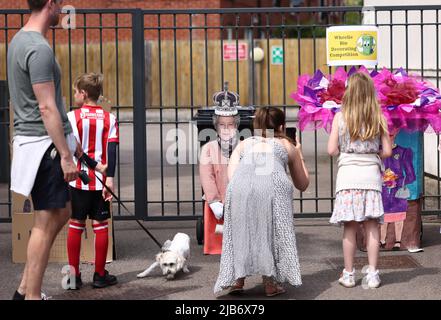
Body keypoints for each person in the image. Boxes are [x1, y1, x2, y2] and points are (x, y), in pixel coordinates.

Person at [8, 0, 79, 300]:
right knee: (45, 220)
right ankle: (32, 296)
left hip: (35, 143)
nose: (62, 10)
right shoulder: (38, 48)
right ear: (49, 4)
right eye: (60, 4)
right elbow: (47, 107)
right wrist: (65, 155)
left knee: (61, 211)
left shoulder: (18, 40)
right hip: (43, 147)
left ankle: (25, 289)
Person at [214, 106, 309, 297]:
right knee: (272, 231)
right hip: (272, 186)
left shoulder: (244, 143)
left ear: (255, 125)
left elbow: (231, 175)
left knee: (240, 230)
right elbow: (302, 184)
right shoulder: (285, 145)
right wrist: (299, 154)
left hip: (240, 187)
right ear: (282, 126)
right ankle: (270, 283)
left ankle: (237, 280)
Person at [328, 72, 392, 289]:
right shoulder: (378, 117)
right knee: (372, 226)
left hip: (348, 177)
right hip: (370, 177)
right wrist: (372, 154)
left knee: (350, 228)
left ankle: (348, 274)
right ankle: (372, 274)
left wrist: (346, 151)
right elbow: (388, 151)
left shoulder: (340, 117)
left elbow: (331, 150)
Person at [66, 73, 119, 289]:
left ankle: (73, 277)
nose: (75, 95)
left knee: (75, 225)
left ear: (84, 93)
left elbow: (69, 147)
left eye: (76, 92)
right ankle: (99, 275)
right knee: (101, 226)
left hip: (78, 181)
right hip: (101, 183)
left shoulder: (72, 117)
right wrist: (111, 180)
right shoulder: (110, 118)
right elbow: (112, 151)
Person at [199, 87, 240, 255]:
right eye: (222, 125)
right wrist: (214, 200)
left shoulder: (243, 145)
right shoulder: (208, 148)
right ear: (216, 127)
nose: (226, 129)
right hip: (217, 203)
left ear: (236, 126)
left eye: (230, 125)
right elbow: (206, 176)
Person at [380, 130, 415, 251]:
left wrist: (399, 181)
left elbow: (411, 175)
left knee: (398, 217)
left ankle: (398, 242)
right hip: (382, 190)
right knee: (382, 217)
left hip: (398, 190)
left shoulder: (403, 152)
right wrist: (381, 178)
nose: (389, 135)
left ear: (395, 134)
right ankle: (382, 241)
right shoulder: (377, 152)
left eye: (391, 133)